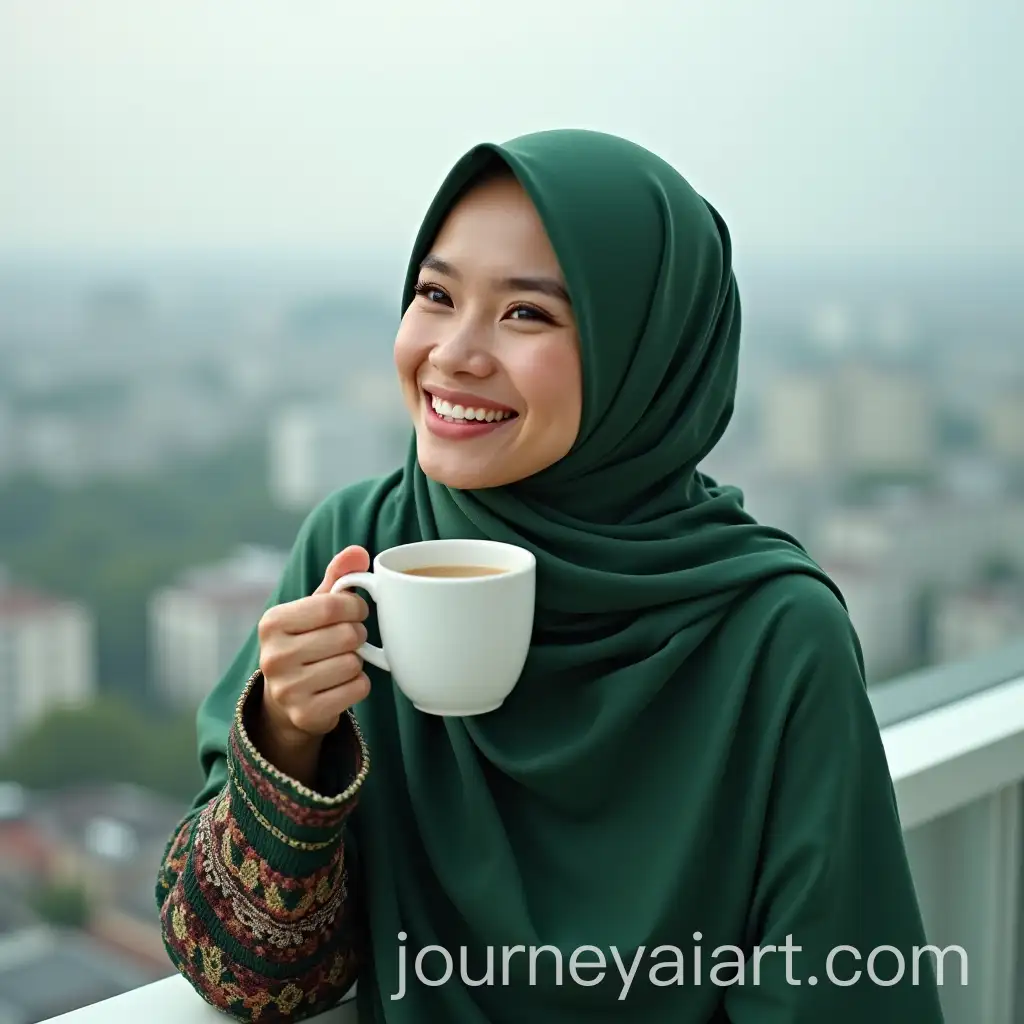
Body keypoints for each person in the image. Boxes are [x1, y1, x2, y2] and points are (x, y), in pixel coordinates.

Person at [156, 129, 945, 1023]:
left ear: (647, 355)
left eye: (526, 313)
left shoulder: (771, 630)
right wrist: (291, 736)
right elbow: (246, 978)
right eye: (434, 295)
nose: (454, 352)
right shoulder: (360, 546)